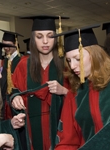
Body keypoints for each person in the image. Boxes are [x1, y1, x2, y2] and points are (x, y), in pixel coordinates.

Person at [51, 25, 110, 149]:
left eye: (77, 59)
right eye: (69, 60)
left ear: (95, 55)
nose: (72, 66)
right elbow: (68, 141)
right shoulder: (74, 94)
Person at [11, 15, 69, 150]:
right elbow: (14, 90)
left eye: (50, 36)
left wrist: (64, 91)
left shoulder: (65, 64)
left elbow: (80, 98)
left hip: (60, 127)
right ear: (33, 39)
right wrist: (15, 98)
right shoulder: (24, 64)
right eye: (39, 36)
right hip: (31, 127)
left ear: (56, 37)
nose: (45, 41)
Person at [0, 29, 24, 119]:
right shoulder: (2, 62)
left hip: (18, 101)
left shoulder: (22, 61)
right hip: (4, 102)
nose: (5, 48)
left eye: (8, 45)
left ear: (15, 44)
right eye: (4, 44)